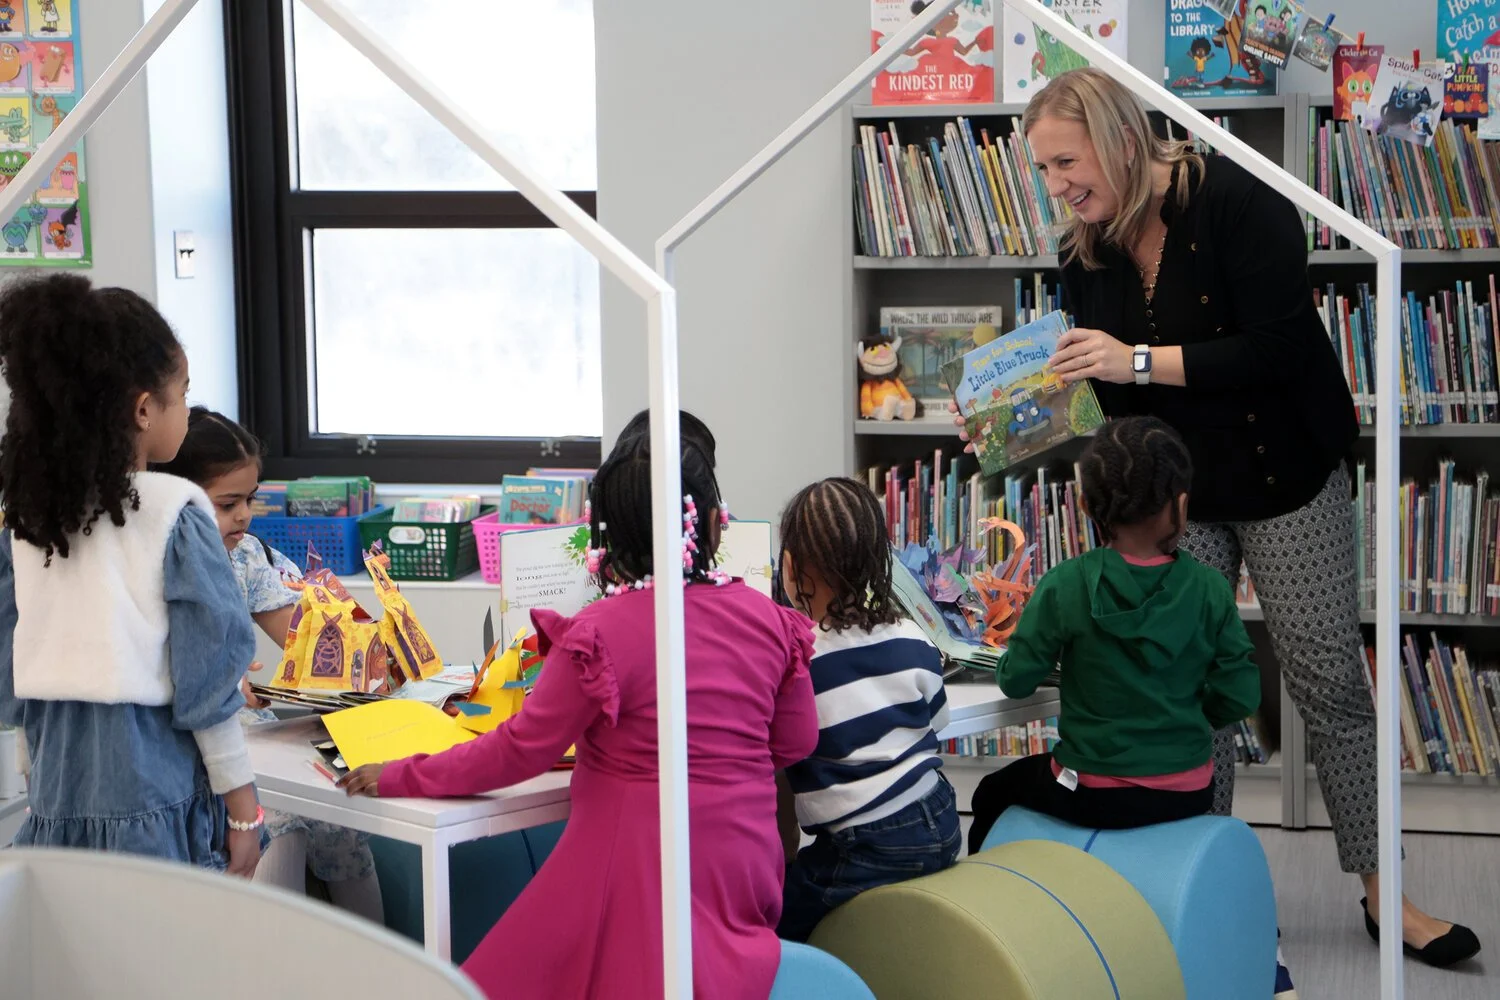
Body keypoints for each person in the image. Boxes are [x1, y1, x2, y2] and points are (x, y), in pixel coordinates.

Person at [956, 66, 1478, 966]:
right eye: (1042, 170)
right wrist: (1020, 419)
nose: (1057, 187)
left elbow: (1275, 349)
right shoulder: (1083, 248)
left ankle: (1385, 897)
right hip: (1176, 490)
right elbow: (1102, 390)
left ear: (1122, 139)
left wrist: (1141, 364)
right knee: (1183, 683)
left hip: (1286, 474)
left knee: (1329, 687)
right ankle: (1209, 885)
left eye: (1065, 162)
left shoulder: (1239, 202)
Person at [338, 411, 819, 1000]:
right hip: (744, 858)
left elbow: (520, 751)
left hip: (637, 862)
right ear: (714, 525)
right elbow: (796, 743)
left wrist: (400, 774)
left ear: (601, 538)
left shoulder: (600, 633)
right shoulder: (773, 621)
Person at [0, 273, 262, 875]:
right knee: (159, 960)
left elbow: (20, 669)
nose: (189, 408)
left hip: (56, 793)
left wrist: (33, 766)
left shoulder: (31, 520)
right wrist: (243, 811)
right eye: (184, 392)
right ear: (145, 408)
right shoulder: (174, 513)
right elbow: (208, 687)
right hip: (154, 794)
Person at [154, 407, 384, 922]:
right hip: (189, 737)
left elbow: (305, 640)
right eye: (227, 503)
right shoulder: (158, 563)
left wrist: (360, 646)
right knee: (281, 824)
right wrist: (228, 681)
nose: (244, 516)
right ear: (177, 499)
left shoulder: (247, 557)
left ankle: (379, 968)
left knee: (343, 820)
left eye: (250, 499)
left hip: (251, 731)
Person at [775, 477, 960, 943]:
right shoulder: (913, 638)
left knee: (776, 917)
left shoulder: (797, 663)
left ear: (792, 569)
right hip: (941, 819)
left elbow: (783, 754)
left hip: (865, 848)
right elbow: (936, 721)